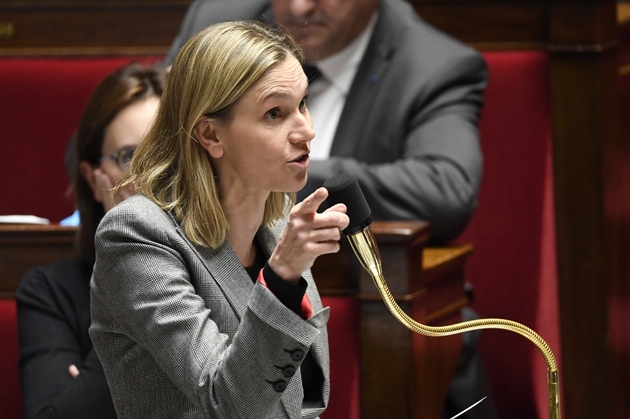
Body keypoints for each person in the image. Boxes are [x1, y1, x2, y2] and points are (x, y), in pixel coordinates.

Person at [166, 1, 500, 418]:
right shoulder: (217, 21)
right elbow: (148, 147)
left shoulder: (432, 64)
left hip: (378, 331)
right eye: (274, 113)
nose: (300, 5)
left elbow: (446, 190)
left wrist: (287, 172)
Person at [89, 21, 348, 419]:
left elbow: (300, 404)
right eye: (275, 113)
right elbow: (226, 403)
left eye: (303, 104)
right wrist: (279, 278)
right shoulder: (138, 235)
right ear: (210, 135)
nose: (306, 131)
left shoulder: (277, 224)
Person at [15, 62, 167, 419]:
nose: (152, 176)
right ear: (93, 177)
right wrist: (132, 264)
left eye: (165, 152)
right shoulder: (49, 290)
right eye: (130, 157)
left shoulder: (229, 267)